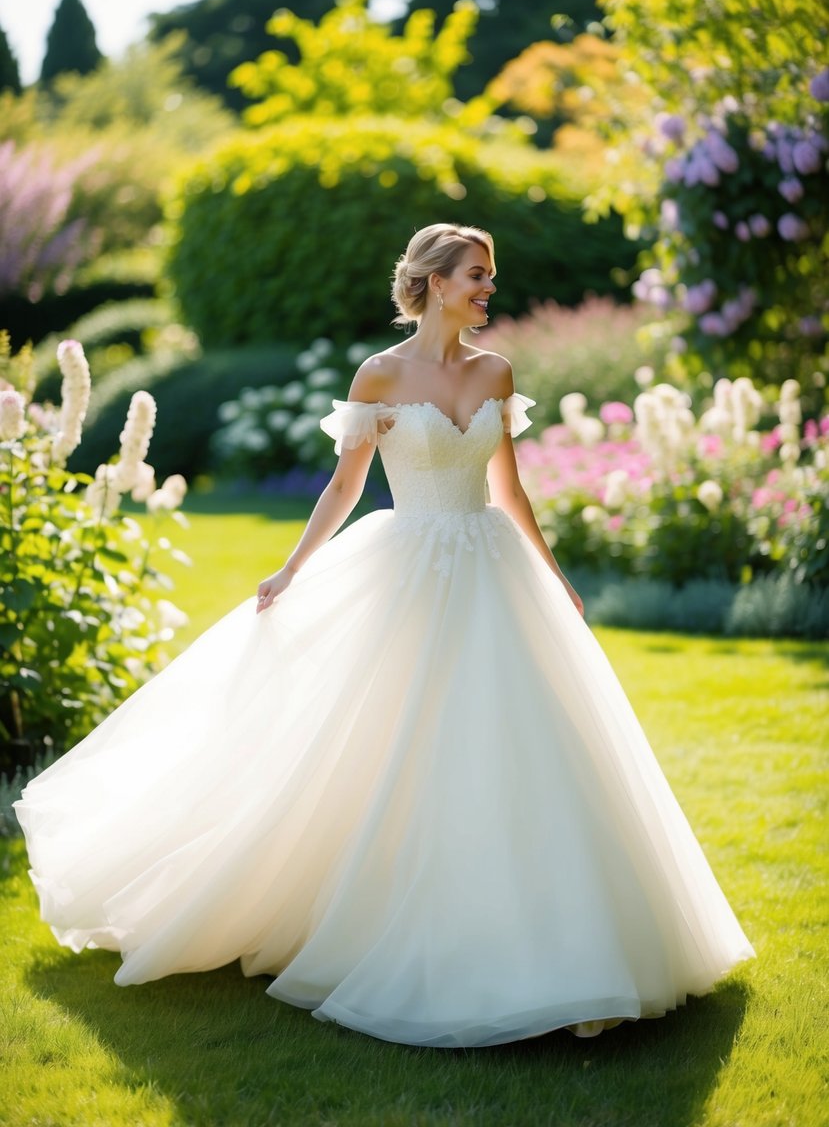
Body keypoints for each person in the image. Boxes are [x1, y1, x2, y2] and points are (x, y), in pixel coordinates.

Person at [15, 222, 755, 1048]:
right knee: (390, 741)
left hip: (491, 567)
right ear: (434, 283)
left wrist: (554, 576)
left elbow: (510, 488)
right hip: (406, 568)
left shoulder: (496, 371)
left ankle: (555, 937)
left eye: (490, 277)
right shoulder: (378, 375)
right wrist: (292, 569)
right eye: (476, 275)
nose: (487, 289)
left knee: (516, 744)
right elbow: (345, 486)